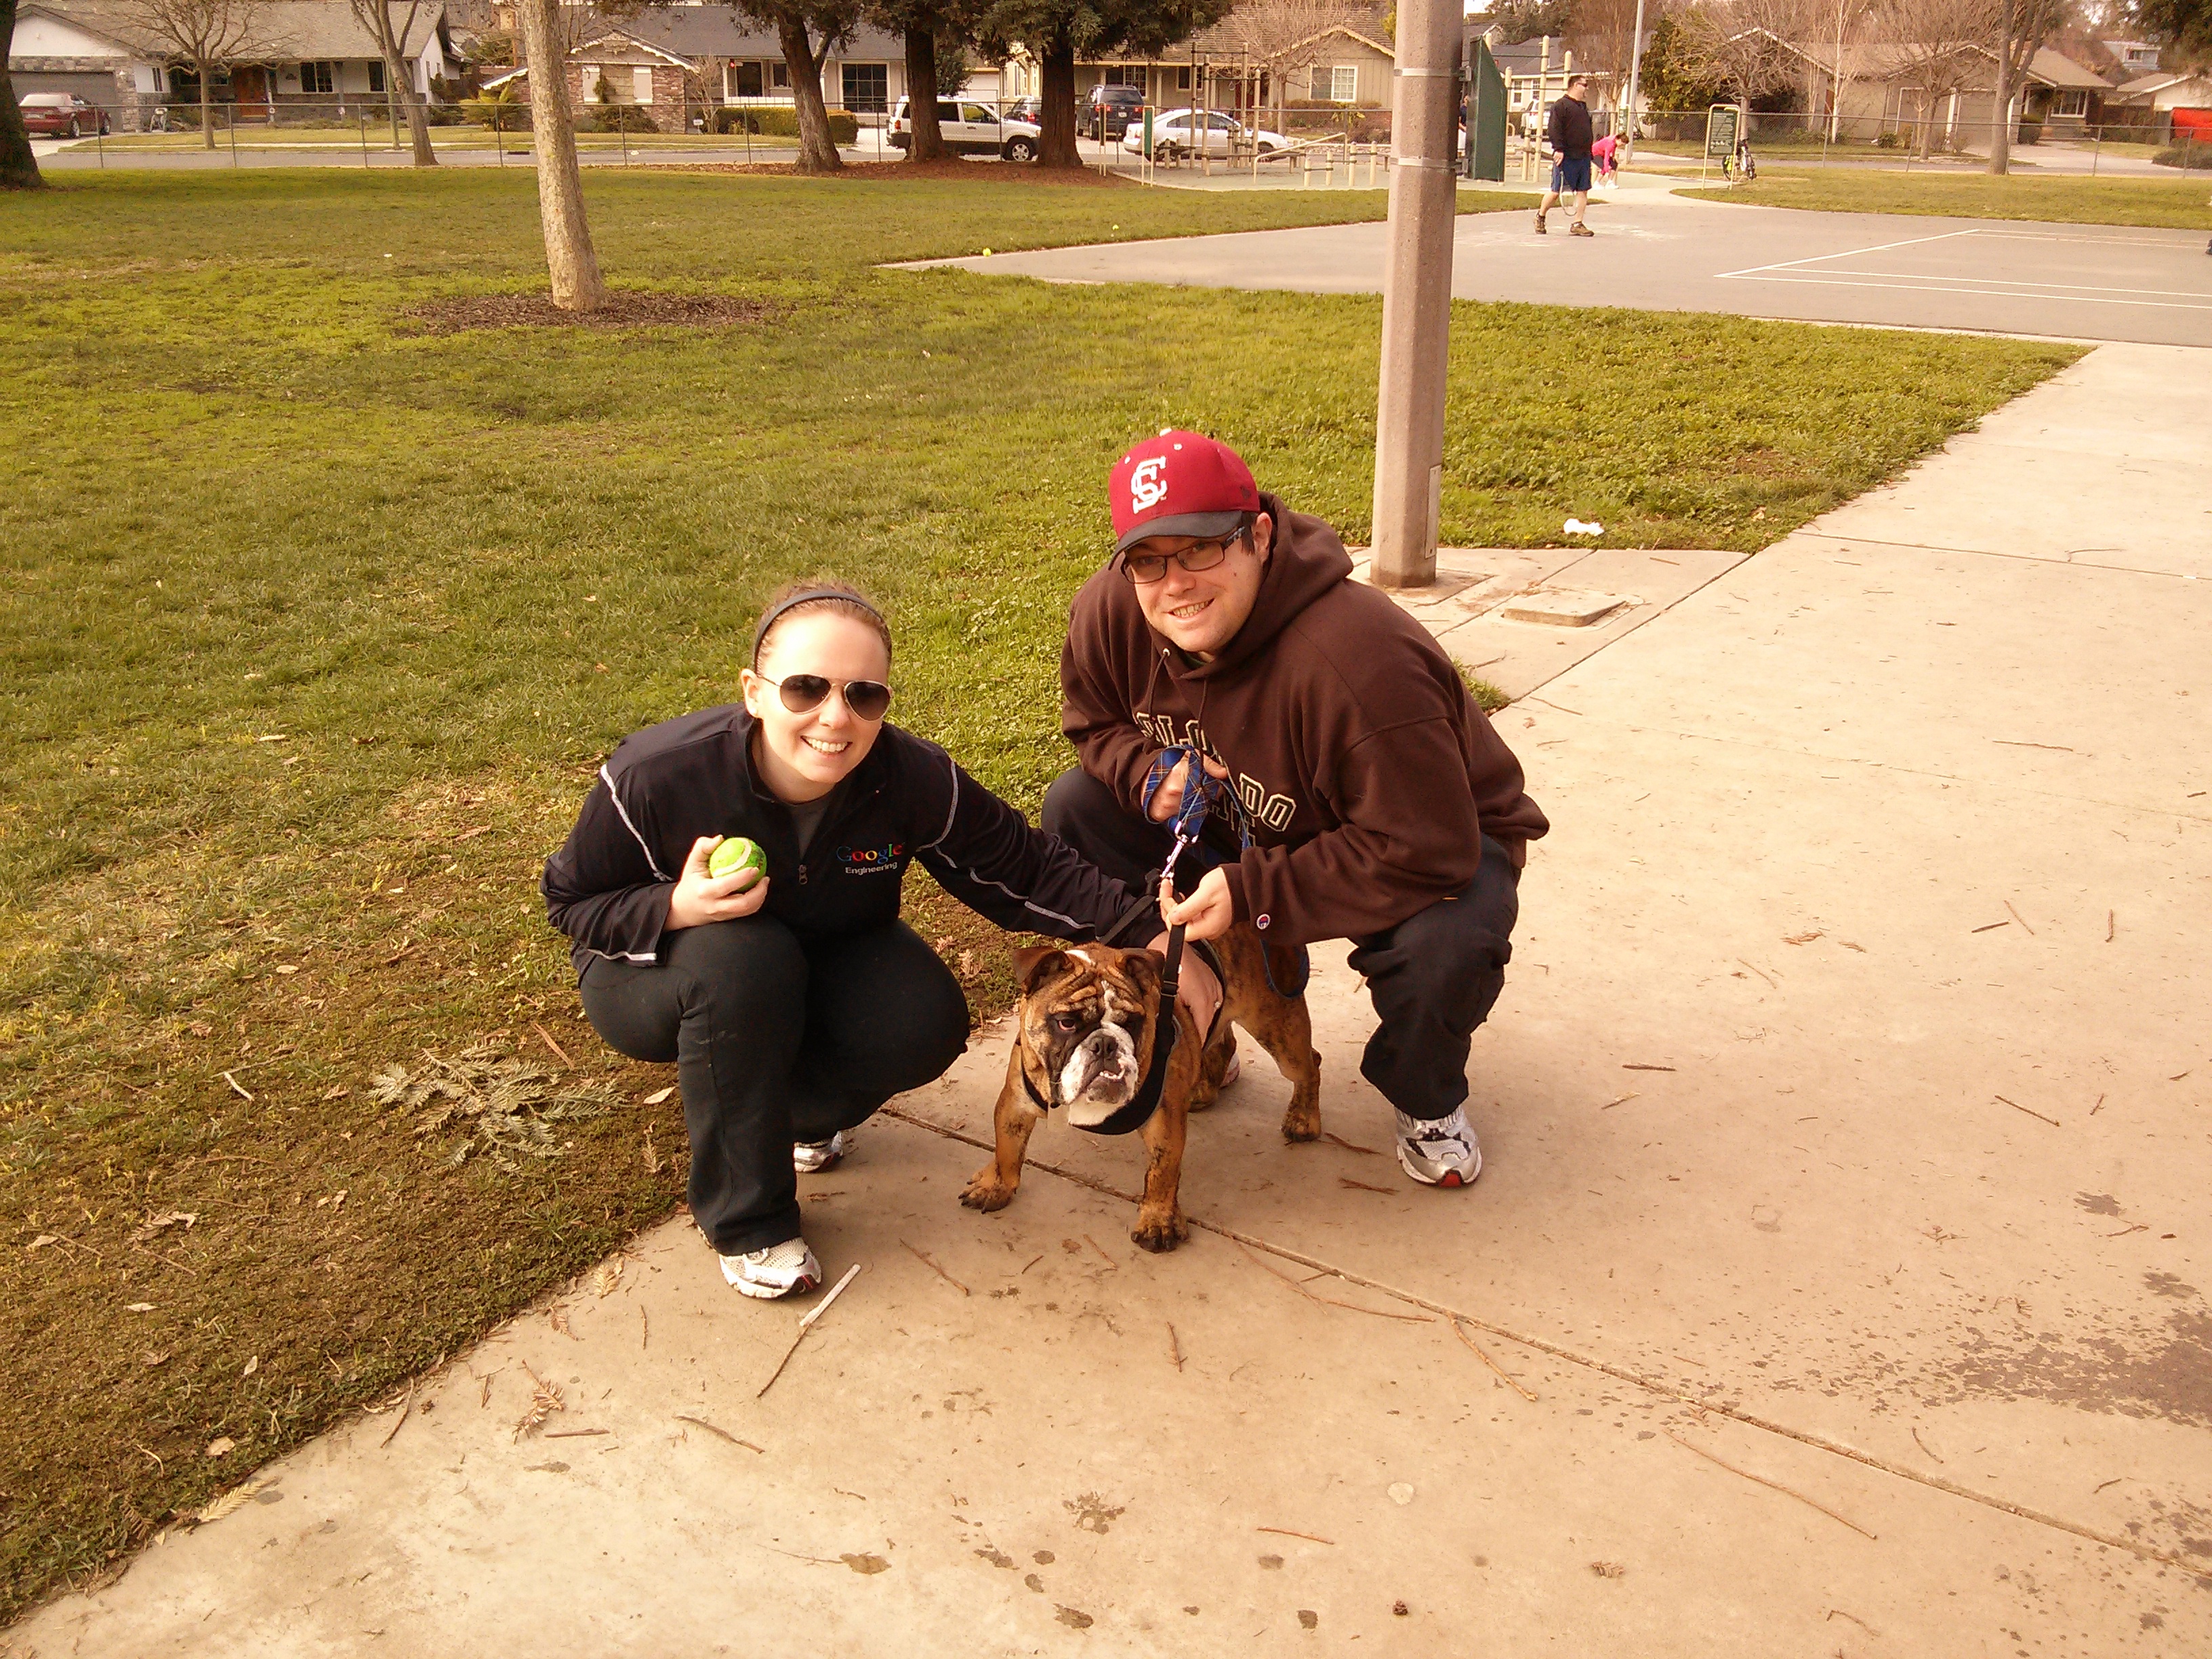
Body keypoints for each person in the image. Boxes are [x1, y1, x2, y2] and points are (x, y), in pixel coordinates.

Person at [542, 581, 1158, 1300]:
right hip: (658, 965)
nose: (836, 718)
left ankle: (805, 1112)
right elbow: (571, 901)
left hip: (824, 950)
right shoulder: (657, 774)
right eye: (805, 689)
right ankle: (749, 1224)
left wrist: (1148, 927)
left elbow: (1022, 864)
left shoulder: (905, 775)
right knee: (742, 963)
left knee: (925, 1022)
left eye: (864, 696)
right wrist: (675, 905)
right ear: (753, 692)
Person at [1045, 432, 1549, 1190]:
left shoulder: (1357, 662)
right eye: (1150, 560)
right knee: (1077, 809)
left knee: (1449, 946)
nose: (1175, 584)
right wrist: (1147, 772)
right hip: (1238, 821)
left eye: (1201, 550)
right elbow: (1092, 724)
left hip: (1420, 839)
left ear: (1260, 537)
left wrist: (1257, 893)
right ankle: (1203, 1027)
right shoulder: (1112, 613)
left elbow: (1428, 845)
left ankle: (1426, 1097)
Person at [1536, 73, 1595, 237]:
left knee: (1583, 191)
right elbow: (1554, 129)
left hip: (1583, 156)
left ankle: (1577, 223)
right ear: (1576, 85)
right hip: (1566, 156)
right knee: (1556, 192)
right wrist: (1559, 149)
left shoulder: (1583, 107)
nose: (1587, 89)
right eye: (1585, 85)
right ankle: (1541, 216)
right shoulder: (1561, 106)